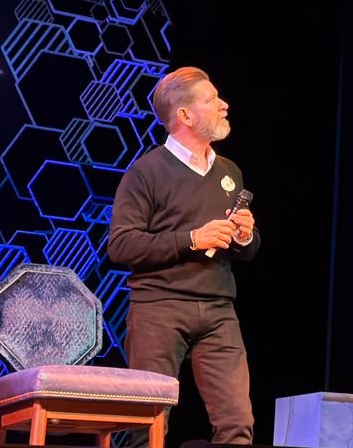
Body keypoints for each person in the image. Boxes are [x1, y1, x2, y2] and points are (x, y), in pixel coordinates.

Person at [109, 67, 260, 445]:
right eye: (212, 99)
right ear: (185, 115)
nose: (224, 105)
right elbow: (121, 245)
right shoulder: (146, 172)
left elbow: (247, 248)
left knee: (238, 423)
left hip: (218, 308)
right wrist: (191, 239)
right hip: (159, 307)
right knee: (147, 424)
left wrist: (244, 236)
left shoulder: (229, 171)